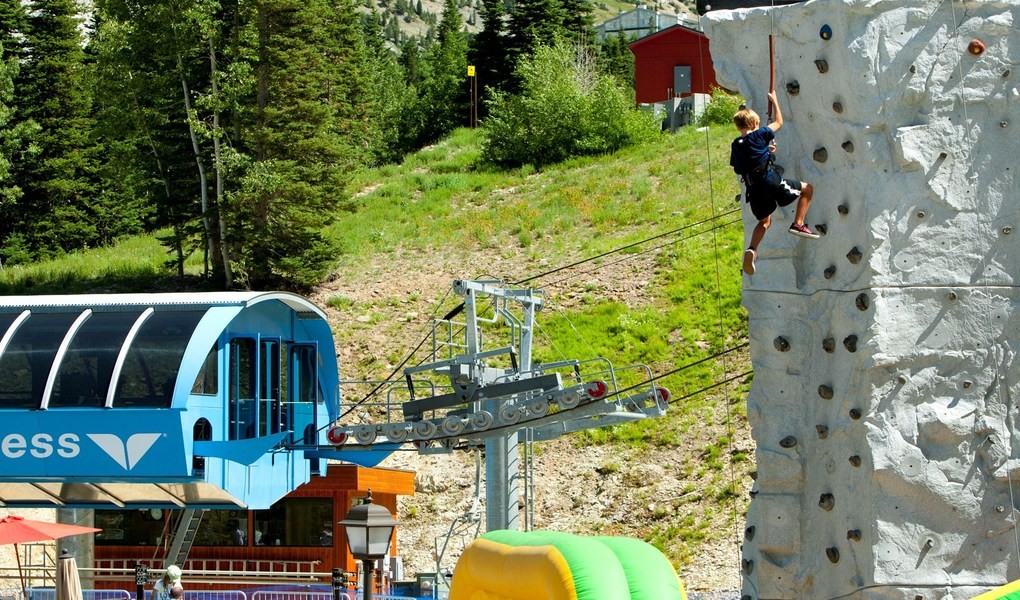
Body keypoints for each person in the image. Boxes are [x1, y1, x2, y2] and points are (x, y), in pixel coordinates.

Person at [730, 90, 819, 276]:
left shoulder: (736, 145)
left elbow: (740, 168)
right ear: (754, 123)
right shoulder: (759, 134)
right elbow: (779, 122)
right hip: (770, 181)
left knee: (764, 221)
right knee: (807, 189)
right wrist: (775, 101)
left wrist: (767, 152)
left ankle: (752, 250)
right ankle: (799, 223)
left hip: (753, 190)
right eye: (759, 123)